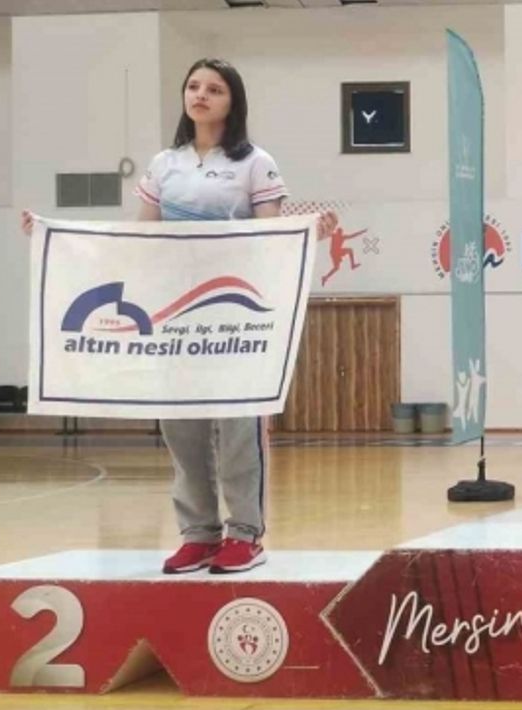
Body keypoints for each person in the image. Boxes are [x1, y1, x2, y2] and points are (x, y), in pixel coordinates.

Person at [24, 58, 337, 574]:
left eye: (214, 89)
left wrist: (310, 234)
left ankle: (245, 534)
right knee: (182, 431)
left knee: (238, 431)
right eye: (193, 86)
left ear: (233, 101)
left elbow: (272, 239)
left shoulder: (255, 163)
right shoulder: (164, 165)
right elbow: (140, 240)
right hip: (174, 320)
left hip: (234, 319)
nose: (201, 95)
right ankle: (199, 534)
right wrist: (53, 237)